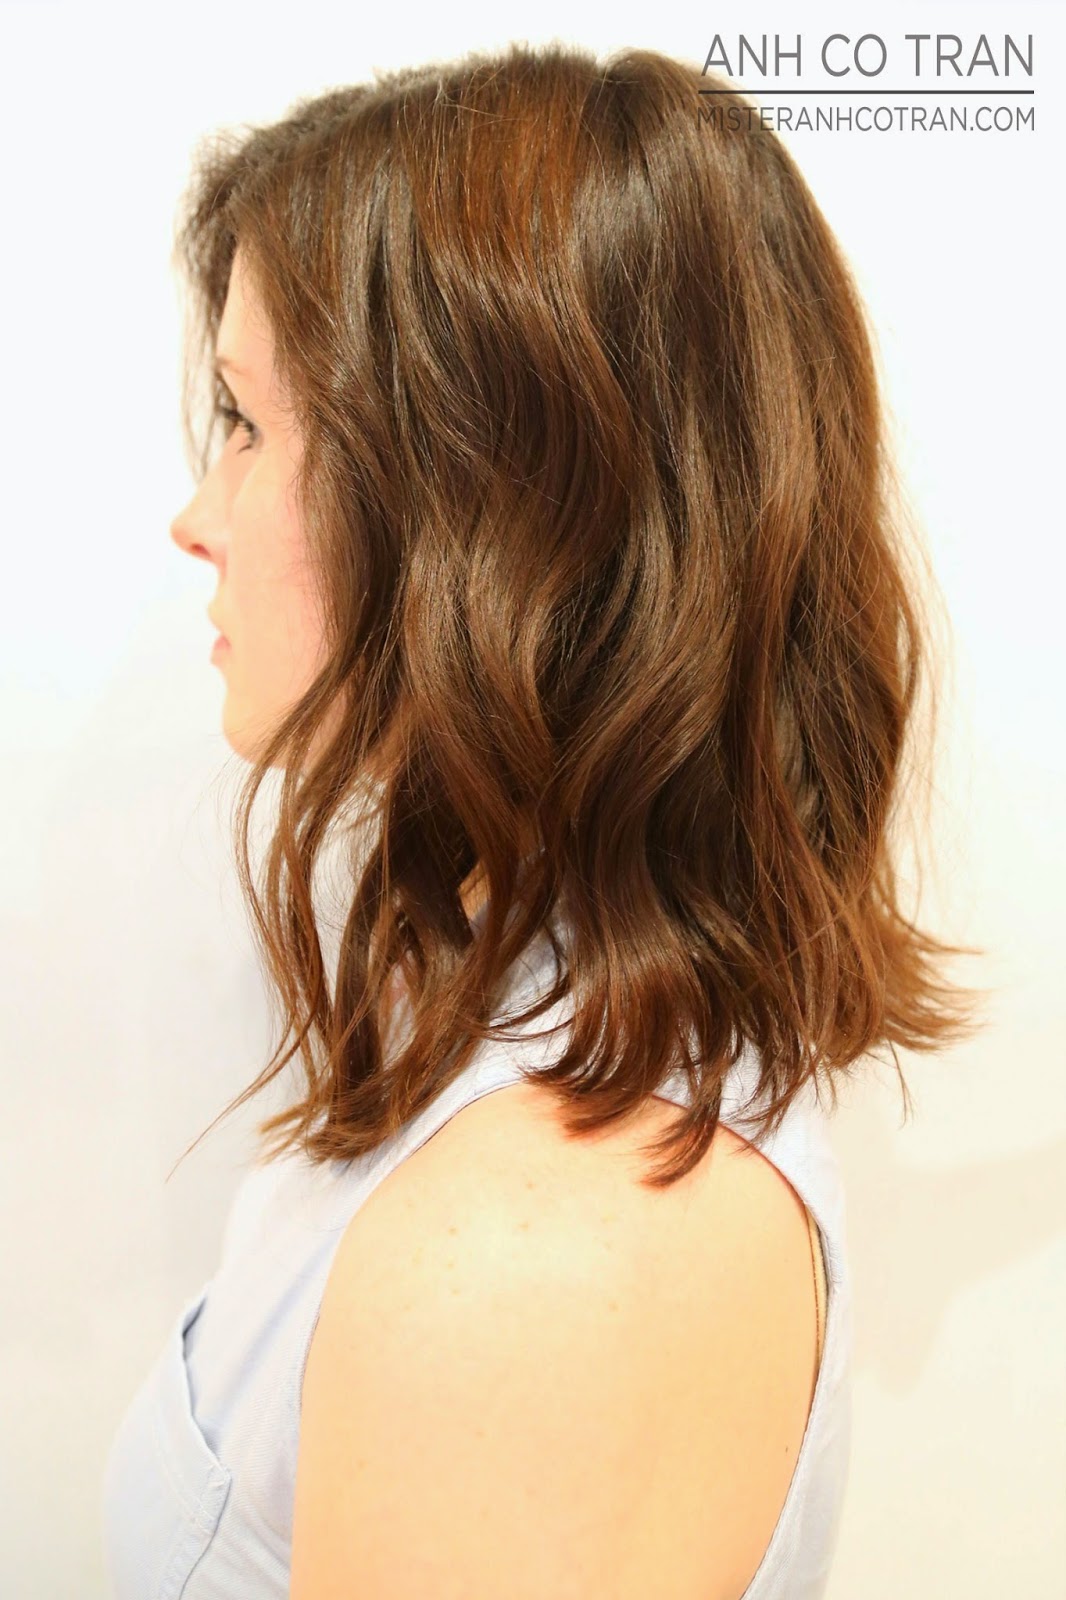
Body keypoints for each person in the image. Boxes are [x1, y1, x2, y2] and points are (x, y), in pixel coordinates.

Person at [101, 40, 981, 1600]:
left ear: (485, 503)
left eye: (244, 422)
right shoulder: (526, 1049)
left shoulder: (542, 1263)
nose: (196, 515)